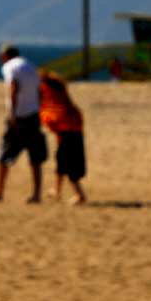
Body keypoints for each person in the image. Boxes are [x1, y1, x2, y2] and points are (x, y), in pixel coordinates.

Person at [0, 44, 47, 203]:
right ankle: (37, 194)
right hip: (33, 115)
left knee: (5, 153)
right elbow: (40, 91)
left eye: (1, 57)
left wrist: (12, 114)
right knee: (35, 156)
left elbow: (14, 88)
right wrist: (38, 109)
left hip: (19, 116)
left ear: (5, 56)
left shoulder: (9, 67)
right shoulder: (31, 66)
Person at [39, 70, 87, 205]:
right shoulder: (59, 90)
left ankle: (80, 195)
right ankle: (57, 190)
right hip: (71, 128)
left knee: (69, 161)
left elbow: (49, 110)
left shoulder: (47, 89)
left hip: (67, 129)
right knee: (61, 159)